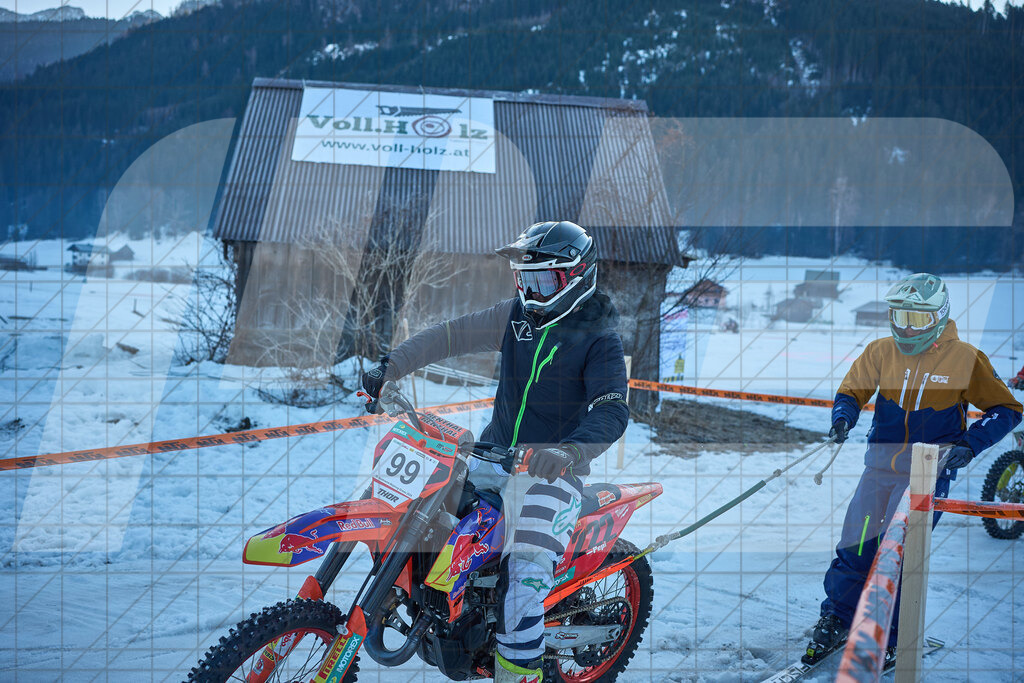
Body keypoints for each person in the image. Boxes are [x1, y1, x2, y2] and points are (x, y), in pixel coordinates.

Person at [361, 220, 629, 683]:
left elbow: (611, 409)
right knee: (419, 519)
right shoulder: (516, 317)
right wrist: (392, 366)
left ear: (577, 276)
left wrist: (567, 453)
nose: (531, 288)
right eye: (525, 278)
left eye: (543, 279)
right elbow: (450, 335)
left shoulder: (599, 339)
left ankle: (519, 674)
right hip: (492, 457)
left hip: (551, 476)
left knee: (521, 582)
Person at [805, 273, 1022, 665]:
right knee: (856, 546)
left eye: (918, 319)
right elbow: (851, 390)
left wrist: (969, 445)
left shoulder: (966, 359)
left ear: (939, 316)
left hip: (926, 478)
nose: (907, 327)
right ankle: (837, 618)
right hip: (878, 471)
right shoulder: (881, 351)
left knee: (901, 554)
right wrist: (842, 417)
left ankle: (893, 634)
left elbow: (1007, 410)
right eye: (900, 316)